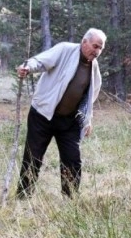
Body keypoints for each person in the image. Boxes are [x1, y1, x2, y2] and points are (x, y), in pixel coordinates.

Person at [15, 28, 107, 199]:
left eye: (100, 48)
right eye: (95, 46)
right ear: (84, 42)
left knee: (72, 160)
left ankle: (70, 200)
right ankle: (23, 199)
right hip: (42, 115)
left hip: (69, 122)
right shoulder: (65, 50)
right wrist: (27, 68)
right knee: (33, 157)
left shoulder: (94, 69)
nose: (97, 51)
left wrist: (87, 120)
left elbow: (89, 98)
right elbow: (41, 61)